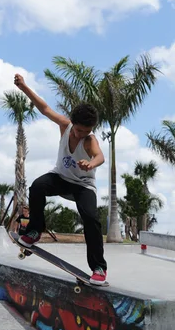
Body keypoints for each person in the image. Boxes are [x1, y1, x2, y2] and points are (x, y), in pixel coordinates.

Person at [13, 73, 107, 285]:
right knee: (37, 186)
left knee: (91, 218)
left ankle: (99, 267)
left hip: (83, 186)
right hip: (60, 178)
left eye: (87, 131)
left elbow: (99, 155)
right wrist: (24, 87)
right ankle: (36, 229)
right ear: (72, 123)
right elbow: (45, 108)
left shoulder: (89, 140)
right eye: (80, 130)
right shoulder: (64, 125)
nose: (82, 134)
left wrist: (91, 164)